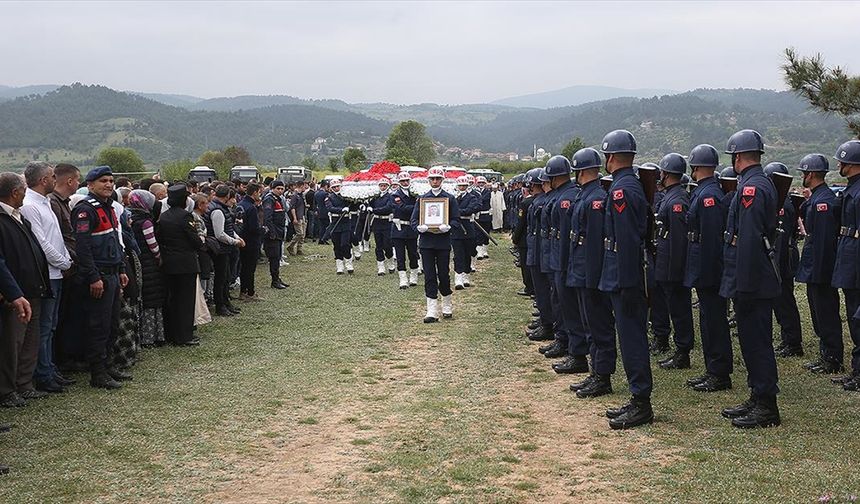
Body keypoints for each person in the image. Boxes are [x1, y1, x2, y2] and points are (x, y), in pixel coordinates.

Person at [719, 129, 781, 428]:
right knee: (751, 339)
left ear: (738, 156)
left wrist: (742, 284)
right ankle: (758, 396)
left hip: (751, 278)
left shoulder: (752, 189)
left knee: (757, 342)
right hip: (751, 276)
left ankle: (767, 405)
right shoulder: (754, 183)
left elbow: (750, 239)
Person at [597, 130, 653, 430]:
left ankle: (642, 401)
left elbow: (628, 240)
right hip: (623, 272)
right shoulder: (626, 186)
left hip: (626, 274)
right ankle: (637, 397)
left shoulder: (623, 190)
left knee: (632, 338)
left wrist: (628, 282)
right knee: (629, 337)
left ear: (612, 157)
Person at [70, 166, 129, 389]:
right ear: (90, 184)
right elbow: (83, 249)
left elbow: (114, 242)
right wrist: (94, 277)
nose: (108, 184)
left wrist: (122, 268)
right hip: (99, 277)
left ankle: (108, 364)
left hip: (113, 273)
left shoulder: (109, 208)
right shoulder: (86, 210)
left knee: (112, 324)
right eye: (103, 181)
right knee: (98, 326)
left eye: (111, 181)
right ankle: (97, 373)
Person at [19, 162, 73, 394]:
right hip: (48, 274)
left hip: (56, 272)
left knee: (50, 326)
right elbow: (42, 244)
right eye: (52, 176)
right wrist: (64, 262)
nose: (55, 179)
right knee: (43, 328)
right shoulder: (31, 206)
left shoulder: (45, 202)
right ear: (43, 180)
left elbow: (56, 237)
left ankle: (49, 369)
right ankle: (43, 374)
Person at [683, 144, 733, 392]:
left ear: (696, 166)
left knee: (714, 321)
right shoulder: (704, 191)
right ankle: (712, 368)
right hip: (703, 266)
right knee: (707, 319)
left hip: (708, 268)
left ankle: (719, 372)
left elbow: (712, 238)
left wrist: (710, 272)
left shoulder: (709, 195)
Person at [0, 172, 50, 404]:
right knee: (13, 342)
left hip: (33, 288)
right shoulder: (2, 219)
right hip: (16, 293)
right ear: (15, 192)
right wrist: (13, 292)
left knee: (30, 339)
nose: (25, 194)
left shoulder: (19, 216)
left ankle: (24, 383)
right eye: (23, 190)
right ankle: (7, 390)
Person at [792, 154, 842, 373]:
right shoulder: (818, 197)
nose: (802, 177)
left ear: (810, 174)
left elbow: (822, 241)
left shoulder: (823, 202)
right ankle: (826, 353)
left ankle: (832, 358)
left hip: (821, 267)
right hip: (817, 265)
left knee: (826, 312)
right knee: (818, 310)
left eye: (803, 173)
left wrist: (820, 272)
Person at [543, 156, 588, 373]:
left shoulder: (567, 197)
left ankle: (576, 352)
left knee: (570, 308)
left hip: (564, 260)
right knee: (562, 304)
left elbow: (568, 234)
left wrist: (563, 264)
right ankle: (568, 344)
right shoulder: (562, 195)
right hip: (558, 258)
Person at [652, 153, 695, 370]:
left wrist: (678, 271)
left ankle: (683, 352)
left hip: (672, 267)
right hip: (665, 264)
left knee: (679, 309)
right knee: (673, 307)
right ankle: (680, 349)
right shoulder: (671, 195)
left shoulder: (677, 200)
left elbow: (679, 239)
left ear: (666, 173)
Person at [763, 162, 804, 364]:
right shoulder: (783, 203)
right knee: (781, 302)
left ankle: (793, 342)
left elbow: (781, 238)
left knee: (785, 301)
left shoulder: (783, 206)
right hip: (782, 256)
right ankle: (789, 339)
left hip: (783, 258)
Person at [411, 167, 461, 322]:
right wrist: (419, 228)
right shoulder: (422, 199)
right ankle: (432, 310)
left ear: (442, 180)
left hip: (442, 242)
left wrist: (449, 226)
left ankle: (447, 304)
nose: (435, 181)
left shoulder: (450, 199)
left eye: (438, 178)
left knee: (443, 274)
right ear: (428, 180)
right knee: (429, 276)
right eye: (432, 179)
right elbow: (414, 220)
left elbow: (457, 220)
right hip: (426, 243)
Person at [157, 184, 204, 346]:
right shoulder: (185, 216)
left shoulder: (164, 216)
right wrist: (201, 242)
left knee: (173, 299)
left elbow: (160, 238)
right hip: (185, 263)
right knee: (186, 300)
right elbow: (194, 239)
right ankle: (185, 335)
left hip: (169, 263)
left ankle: (172, 333)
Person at [830, 140, 860, 391]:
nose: (839, 164)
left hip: (856, 260)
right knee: (852, 315)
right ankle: (856, 369)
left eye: (842, 161)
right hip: (849, 258)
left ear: (851, 165)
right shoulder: (852, 190)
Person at [127, 189, 166, 347]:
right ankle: (152, 336)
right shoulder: (146, 221)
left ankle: (142, 336)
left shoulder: (130, 217)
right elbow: (153, 245)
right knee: (152, 298)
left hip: (137, 260)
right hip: (149, 262)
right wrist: (159, 257)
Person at [524, 169, 555, 343]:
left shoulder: (541, 202)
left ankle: (547, 323)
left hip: (540, 251)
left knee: (544, 290)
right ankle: (545, 320)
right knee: (541, 291)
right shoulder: (538, 201)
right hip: (536, 249)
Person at [206, 185, 245, 316]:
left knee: (225, 277)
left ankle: (226, 302)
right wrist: (235, 242)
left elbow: (228, 228)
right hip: (219, 249)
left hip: (224, 249)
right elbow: (220, 234)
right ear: (227, 197)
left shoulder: (221, 208)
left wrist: (237, 237)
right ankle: (220, 305)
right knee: (221, 279)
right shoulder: (217, 211)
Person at [391, 172, 420, 288]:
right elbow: (402, 208)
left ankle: (413, 276)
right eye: (402, 181)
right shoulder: (395, 195)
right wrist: (418, 205)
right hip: (399, 229)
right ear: (399, 182)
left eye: (407, 180)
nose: (405, 183)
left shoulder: (415, 194)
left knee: (413, 253)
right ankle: (403, 279)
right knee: (400, 255)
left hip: (411, 228)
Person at [452, 176, 480, 289]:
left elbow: (472, 208)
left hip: (468, 227)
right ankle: (458, 277)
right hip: (456, 228)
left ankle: (466, 274)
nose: (462, 187)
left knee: (468, 253)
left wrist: (456, 212)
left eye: (464, 185)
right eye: (460, 185)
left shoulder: (472, 197)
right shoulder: (453, 198)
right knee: (458, 254)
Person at [238, 183, 264, 301]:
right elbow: (254, 228)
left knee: (244, 268)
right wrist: (263, 230)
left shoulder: (241, 204)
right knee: (250, 269)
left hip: (242, 239)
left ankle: (243, 291)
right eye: (259, 192)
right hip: (251, 241)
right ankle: (250, 292)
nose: (260, 195)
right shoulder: (252, 207)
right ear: (254, 192)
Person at [510, 174, 534, 297]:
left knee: (526, 265)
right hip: (533, 238)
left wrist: (515, 238)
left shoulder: (526, 202)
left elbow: (521, 223)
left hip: (524, 239)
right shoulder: (537, 200)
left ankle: (528, 287)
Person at [262, 181, 288, 289]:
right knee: (274, 257)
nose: (281, 191)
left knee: (277, 257)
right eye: (278, 188)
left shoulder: (278, 199)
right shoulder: (269, 199)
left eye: (282, 189)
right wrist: (272, 232)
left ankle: (277, 278)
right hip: (273, 233)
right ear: (272, 188)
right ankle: (274, 280)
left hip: (279, 230)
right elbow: (268, 218)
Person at [323, 178, 353, 274]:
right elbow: (330, 208)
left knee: (345, 244)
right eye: (334, 187)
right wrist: (341, 210)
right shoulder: (329, 197)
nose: (336, 188)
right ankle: (339, 265)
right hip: (335, 223)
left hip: (345, 223)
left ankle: (348, 262)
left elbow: (353, 205)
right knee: (337, 245)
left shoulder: (347, 196)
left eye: (337, 186)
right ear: (331, 188)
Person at [368, 178, 395, 276]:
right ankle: (381, 266)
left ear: (388, 186)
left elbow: (387, 208)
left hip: (387, 222)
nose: (383, 187)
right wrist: (365, 205)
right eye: (381, 185)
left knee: (387, 244)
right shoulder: (375, 197)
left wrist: (374, 210)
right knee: (378, 245)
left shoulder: (390, 196)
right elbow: (369, 204)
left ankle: (390, 261)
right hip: (377, 222)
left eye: (385, 185)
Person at [286, 181, 307, 256]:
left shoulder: (301, 195)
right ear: (301, 186)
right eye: (305, 186)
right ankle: (291, 246)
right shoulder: (295, 195)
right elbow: (292, 208)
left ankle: (299, 249)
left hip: (302, 216)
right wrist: (294, 218)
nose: (306, 188)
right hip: (297, 216)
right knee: (299, 233)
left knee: (303, 234)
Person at [475, 176, 492, 259]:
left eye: (482, 183)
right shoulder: (474, 192)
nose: (481, 184)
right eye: (479, 183)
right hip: (478, 215)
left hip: (486, 215)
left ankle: (485, 250)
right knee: (478, 234)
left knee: (486, 233)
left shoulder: (488, 192)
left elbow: (483, 199)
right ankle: (480, 252)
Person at [315, 180, 330, 245]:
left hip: (319, 211)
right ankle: (324, 238)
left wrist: (315, 210)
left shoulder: (316, 193)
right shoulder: (325, 194)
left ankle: (321, 239)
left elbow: (314, 203)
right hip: (325, 212)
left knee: (321, 226)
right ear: (325, 186)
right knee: (327, 226)